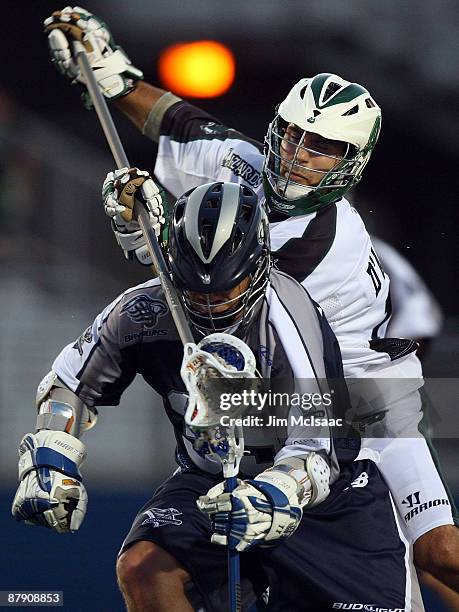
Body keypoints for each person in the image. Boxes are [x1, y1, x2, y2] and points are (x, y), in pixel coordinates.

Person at [43, 6, 459, 596]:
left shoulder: (330, 244)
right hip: (285, 390)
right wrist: (110, 74)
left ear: (353, 163)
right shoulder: (247, 163)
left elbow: (225, 291)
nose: (299, 153)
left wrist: (150, 231)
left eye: (323, 147)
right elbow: (179, 123)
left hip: (359, 404)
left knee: (439, 554)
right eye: (293, 134)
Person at [12, 180, 416, 611]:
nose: (209, 307)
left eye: (225, 292)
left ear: (258, 266)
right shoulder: (141, 312)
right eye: (194, 290)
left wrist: (273, 495)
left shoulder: (291, 321)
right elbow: (70, 383)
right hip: (206, 481)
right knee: (143, 567)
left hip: (322, 500)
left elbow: (316, 452)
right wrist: (50, 458)